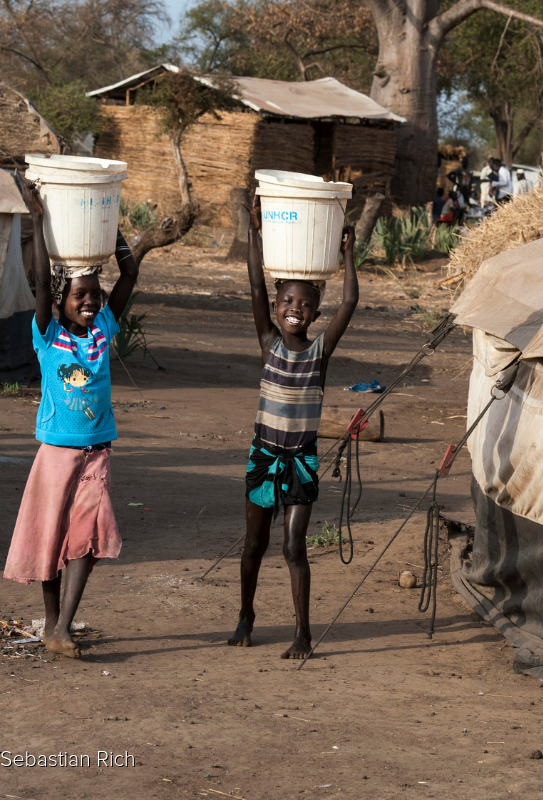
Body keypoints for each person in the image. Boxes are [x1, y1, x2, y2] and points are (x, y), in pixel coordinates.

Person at [3, 181, 138, 659]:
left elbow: (129, 272)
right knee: (49, 537)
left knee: (88, 535)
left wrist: (109, 223)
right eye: (81, 295)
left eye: (94, 295)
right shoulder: (46, 334)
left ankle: (61, 627)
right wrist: (39, 217)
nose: (91, 302)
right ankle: (51, 625)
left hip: (96, 450)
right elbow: (41, 281)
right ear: (60, 301)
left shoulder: (103, 327)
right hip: (56, 453)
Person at [229, 197, 359, 658]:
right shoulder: (268, 344)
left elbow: (351, 300)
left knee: (292, 546)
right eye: (287, 300)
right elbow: (254, 286)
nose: (294, 309)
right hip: (264, 455)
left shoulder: (319, 353)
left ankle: (303, 634)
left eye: (304, 304)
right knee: (254, 543)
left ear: (315, 314)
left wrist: (347, 252)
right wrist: (256, 232)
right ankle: (246, 614)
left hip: (301, 461)